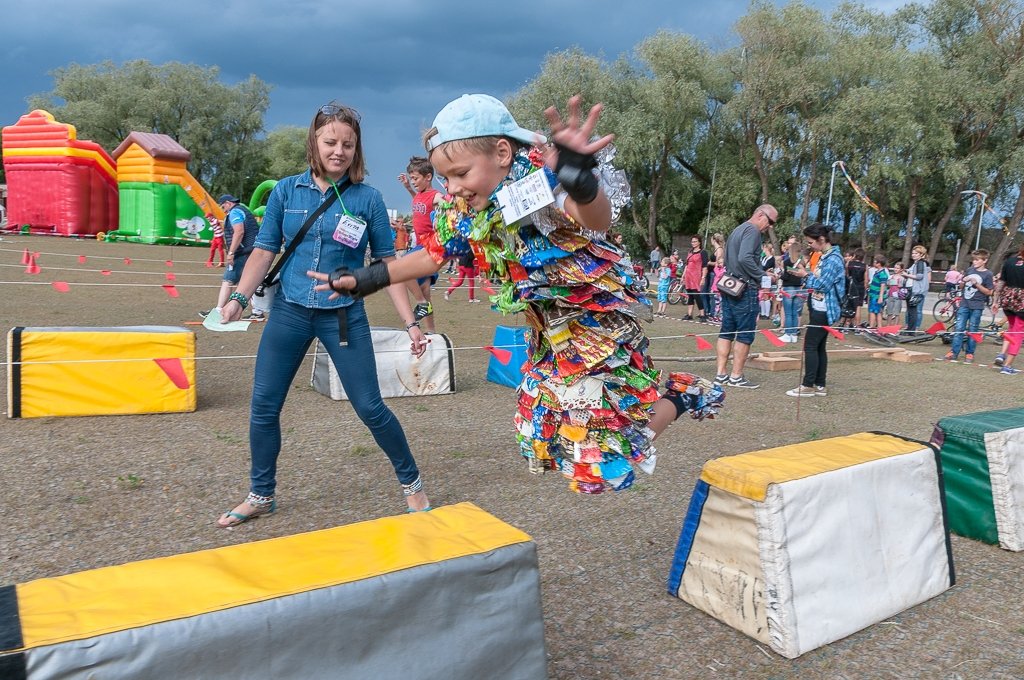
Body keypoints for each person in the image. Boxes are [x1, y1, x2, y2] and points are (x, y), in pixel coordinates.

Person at [311, 94, 724, 494]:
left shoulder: (541, 181)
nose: (452, 187)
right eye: (445, 177)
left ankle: (681, 394)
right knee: (542, 439)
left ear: (503, 153)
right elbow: (433, 255)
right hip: (548, 332)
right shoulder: (467, 209)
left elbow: (594, 218)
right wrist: (366, 278)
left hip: (598, 329)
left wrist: (580, 182)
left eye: (460, 173)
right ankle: (659, 404)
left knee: (601, 467)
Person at [215, 102, 431, 527]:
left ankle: (413, 485)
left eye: (348, 144)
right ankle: (261, 494)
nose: (339, 151)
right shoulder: (286, 191)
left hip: (343, 317)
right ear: (315, 142)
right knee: (263, 405)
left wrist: (411, 323)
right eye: (330, 142)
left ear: (357, 149)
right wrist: (238, 298)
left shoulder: (368, 199)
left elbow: (387, 267)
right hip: (290, 313)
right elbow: (264, 250)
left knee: (370, 407)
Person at [715, 204, 779, 389]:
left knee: (726, 330)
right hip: (745, 289)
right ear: (760, 215)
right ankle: (736, 376)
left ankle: (721, 374)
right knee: (745, 333)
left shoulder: (738, 229)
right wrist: (762, 275)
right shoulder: (753, 231)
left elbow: (729, 258)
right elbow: (745, 258)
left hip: (729, 285)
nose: (770, 226)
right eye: (770, 221)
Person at [785, 223, 844, 397]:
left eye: (811, 242)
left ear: (822, 239)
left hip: (825, 309)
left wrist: (805, 276)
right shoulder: (825, 256)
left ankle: (808, 385)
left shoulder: (833, 259)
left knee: (810, 346)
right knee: (819, 347)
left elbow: (822, 285)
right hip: (818, 306)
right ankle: (820, 384)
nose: (809, 245)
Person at [398, 157, 443, 332]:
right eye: (411, 178)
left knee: (401, 267)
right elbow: (418, 201)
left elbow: (445, 201)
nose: (413, 182)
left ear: (428, 177)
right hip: (421, 245)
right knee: (424, 288)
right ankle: (431, 331)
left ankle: (421, 303)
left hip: (428, 246)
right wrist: (408, 187)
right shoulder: (419, 196)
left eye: (416, 178)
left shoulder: (435, 196)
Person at [199, 194, 260, 320]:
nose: (223, 210)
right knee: (249, 280)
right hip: (251, 249)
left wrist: (231, 252)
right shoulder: (243, 210)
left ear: (227, 203)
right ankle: (257, 311)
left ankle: (218, 310)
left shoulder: (235, 213)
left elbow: (239, 232)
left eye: (223, 207)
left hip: (242, 251)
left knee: (228, 279)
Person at [945, 249, 995, 363]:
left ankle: (970, 353)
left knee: (973, 329)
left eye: (977, 260)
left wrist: (976, 284)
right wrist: (963, 280)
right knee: (959, 328)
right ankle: (954, 352)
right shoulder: (969, 270)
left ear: (985, 261)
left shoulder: (988, 274)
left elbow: (989, 292)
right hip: (964, 304)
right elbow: (962, 286)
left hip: (977, 305)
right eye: (973, 259)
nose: (974, 262)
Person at [993, 245, 1024, 375]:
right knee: (1018, 333)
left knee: (1012, 328)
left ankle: (1001, 354)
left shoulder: (1009, 261)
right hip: (1022, 300)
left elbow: (1001, 283)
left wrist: (995, 301)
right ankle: (1007, 366)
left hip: (1008, 298)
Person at [779, 236, 806, 343]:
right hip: (798, 288)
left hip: (788, 287)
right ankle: (794, 334)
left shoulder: (787, 262)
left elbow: (785, 277)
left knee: (788, 312)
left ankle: (787, 334)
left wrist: (780, 274)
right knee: (795, 312)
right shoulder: (802, 262)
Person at [904, 245, 931, 332]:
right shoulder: (915, 263)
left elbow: (919, 276)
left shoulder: (920, 263)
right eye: (913, 253)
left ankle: (911, 330)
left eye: (916, 253)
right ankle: (909, 328)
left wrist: (906, 275)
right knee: (910, 310)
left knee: (914, 311)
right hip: (911, 289)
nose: (913, 255)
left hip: (916, 290)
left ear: (921, 254)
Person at [683, 236, 708, 321]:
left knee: (696, 295)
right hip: (688, 275)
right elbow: (687, 264)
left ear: (699, 242)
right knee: (690, 295)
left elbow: (705, 266)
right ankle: (689, 314)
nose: (693, 243)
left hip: (696, 275)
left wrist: (703, 277)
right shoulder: (690, 252)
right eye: (692, 241)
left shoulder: (703, 252)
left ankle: (702, 314)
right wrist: (683, 275)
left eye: (695, 241)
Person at [845, 248, 868, 327]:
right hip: (860, 287)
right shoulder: (865, 266)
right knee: (858, 307)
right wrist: (865, 289)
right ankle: (857, 326)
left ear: (855, 255)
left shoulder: (850, 264)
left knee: (850, 305)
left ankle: (847, 325)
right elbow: (866, 280)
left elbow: (847, 275)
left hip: (851, 287)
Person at [866, 254, 889, 329]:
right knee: (878, 311)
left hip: (877, 296)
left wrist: (880, 297)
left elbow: (883, 285)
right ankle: (879, 326)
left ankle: (872, 326)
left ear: (879, 263)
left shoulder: (882, 274)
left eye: (875, 261)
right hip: (873, 294)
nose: (874, 262)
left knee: (873, 311)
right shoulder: (877, 272)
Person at [706, 233, 725, 321]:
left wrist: (709, 263)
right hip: (712, 272)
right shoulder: (716, 249)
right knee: (712, 295)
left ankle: (715, 314)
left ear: (714, 240)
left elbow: (718, 264)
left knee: (714, 295)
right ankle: (712, 312)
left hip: (716, 274)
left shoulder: (719, 250)